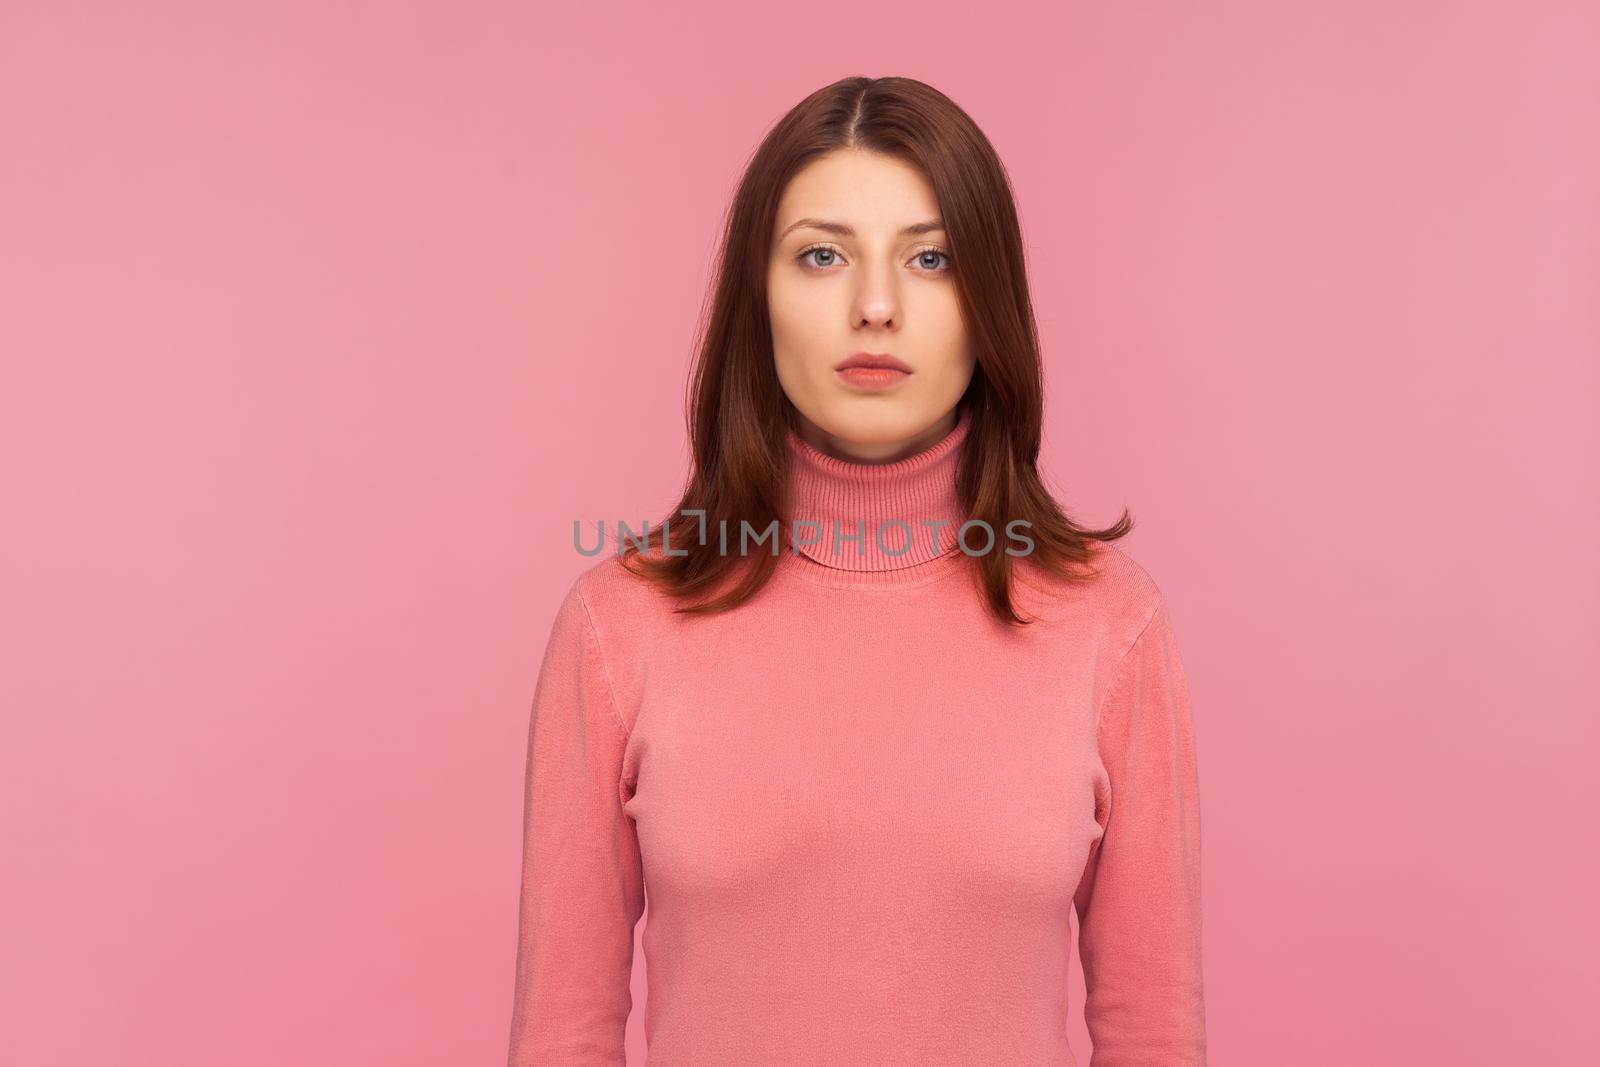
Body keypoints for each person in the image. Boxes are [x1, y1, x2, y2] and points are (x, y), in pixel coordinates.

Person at [508, 75, 1207, 1066]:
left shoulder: (1112, 624)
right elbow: (561, 1035)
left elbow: (1153, 1035)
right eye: (823, 255)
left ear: (989, 300)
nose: (874, 306)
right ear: (760, 297)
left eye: (930, 258)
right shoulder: (619, 625)